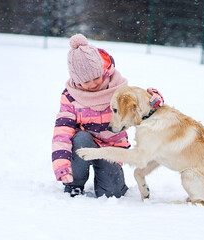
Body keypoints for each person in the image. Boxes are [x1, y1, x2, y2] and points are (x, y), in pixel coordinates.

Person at [52, 34, 163, 198]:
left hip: (112, 148)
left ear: (102, 71)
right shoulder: (70, 96)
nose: (93, 84)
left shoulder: (117, 88)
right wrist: (62, 165)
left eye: (96, 77)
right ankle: (75, 184)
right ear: (76, 80)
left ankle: (112, 182)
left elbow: (140, 101)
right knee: (80, 138)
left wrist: (154, 99)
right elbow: (62, 132)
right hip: (84, 145)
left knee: (112, 194)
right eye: (86, 81)